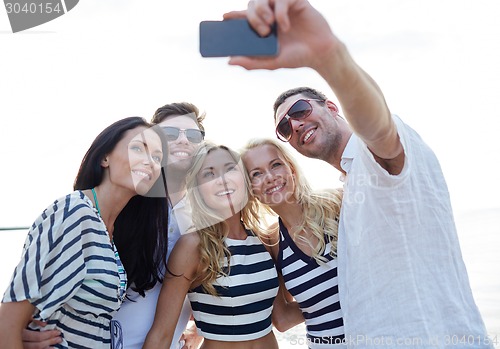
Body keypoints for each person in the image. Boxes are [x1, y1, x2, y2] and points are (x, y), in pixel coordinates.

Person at [224, 1, 493, 348]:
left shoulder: (372, 157)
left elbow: (379, 130)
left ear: (332, 107)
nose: (296, 125)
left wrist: (329, 58)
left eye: (302, 110)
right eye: (285, 128)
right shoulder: (351, 189)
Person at [0, 117, 169, 348]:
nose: (149, 161)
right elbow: (8, 320)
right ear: (104, 157)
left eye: (157, 157)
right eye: (138, 148)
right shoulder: (75, 212)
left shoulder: (109, 232)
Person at [143, 142, 280, 349]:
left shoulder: (265, 240)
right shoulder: (192, 247)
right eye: (209, 174)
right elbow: (161, 334)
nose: (222, 180)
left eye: (229, 169)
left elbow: (284, 316)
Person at [111, 102, 206, 349]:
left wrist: (199, 327)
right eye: (171, 133)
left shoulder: (206, 216)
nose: (184, 140)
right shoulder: (127, 200)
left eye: (193, 135)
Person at [241, 138, 345, 348]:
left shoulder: (338, 204)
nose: (270, 177)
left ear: (292, 169)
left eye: (275, 165)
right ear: (251, 189)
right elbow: (283, 319)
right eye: (257, 174)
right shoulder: (270, 242)